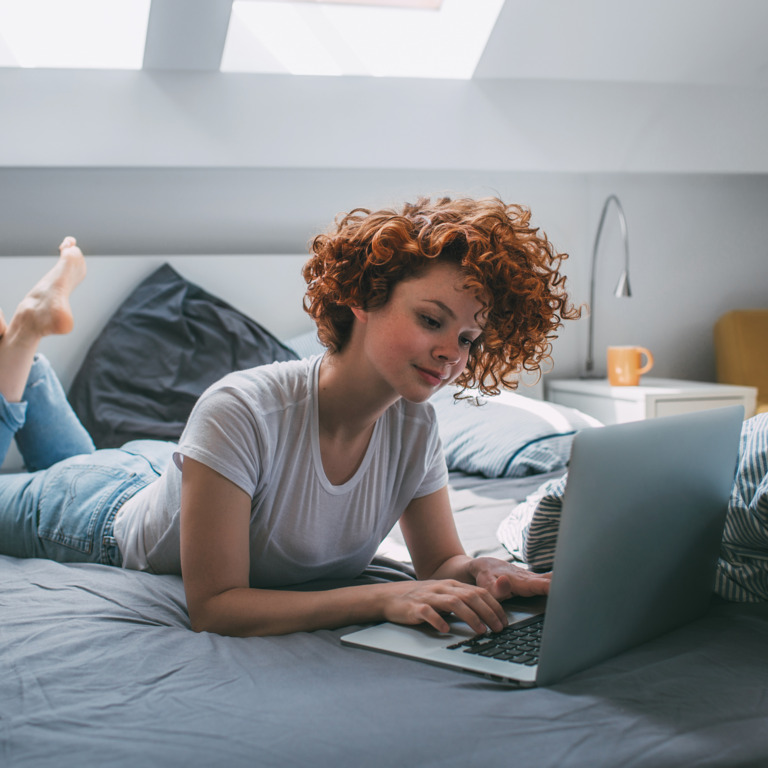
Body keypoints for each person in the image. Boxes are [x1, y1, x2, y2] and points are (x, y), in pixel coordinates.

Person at [0, 197, 579, 637]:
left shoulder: (416, 426)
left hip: (170, 475)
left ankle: (25, 351)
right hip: (97, 511)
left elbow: (439, 563)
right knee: (62, 469)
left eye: (469, 337)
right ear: (364, 295)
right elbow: (216, 605)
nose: (453, 352)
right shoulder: (241, 409)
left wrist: (483, 571)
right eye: (432, 320)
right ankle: (23, 343)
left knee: (75, 451)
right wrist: (380, 599)